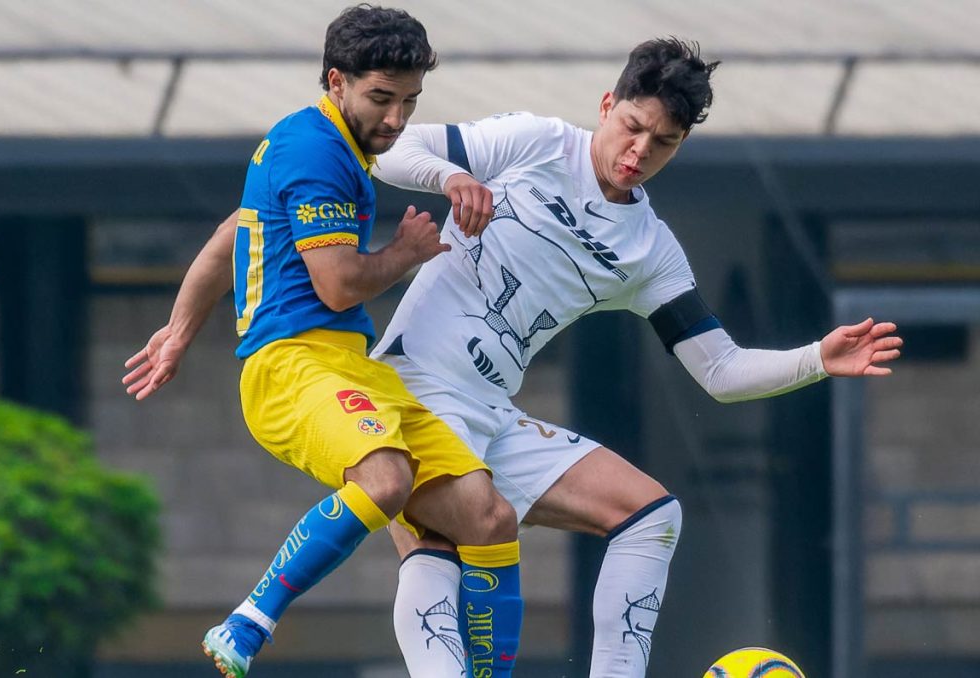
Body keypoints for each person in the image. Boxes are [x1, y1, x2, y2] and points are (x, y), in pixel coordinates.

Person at [125, 38, 903, 677]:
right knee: (443, 538)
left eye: (663, 143)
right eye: (633, 127)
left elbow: (720, 371)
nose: (638, 152)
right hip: (413, 385)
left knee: (650, 515)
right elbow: (393, 151)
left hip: (490, 411)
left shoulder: (652, 251)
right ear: (607, 104)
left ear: (681, 144)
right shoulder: (533, 143)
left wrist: (816, 359)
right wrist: (453, 176)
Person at [122, 6, 525, 678]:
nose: (396, 119)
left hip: (349, 366)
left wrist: (178, 334)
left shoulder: (320, 141)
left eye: (409, 101)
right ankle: (250, 619)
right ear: (336, 80)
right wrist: (406, 252)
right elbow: (338, 287)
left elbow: (230, 237)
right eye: (382, 98)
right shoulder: (316, 151)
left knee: (488, 518)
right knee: (386, 479)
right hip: (292, 367)